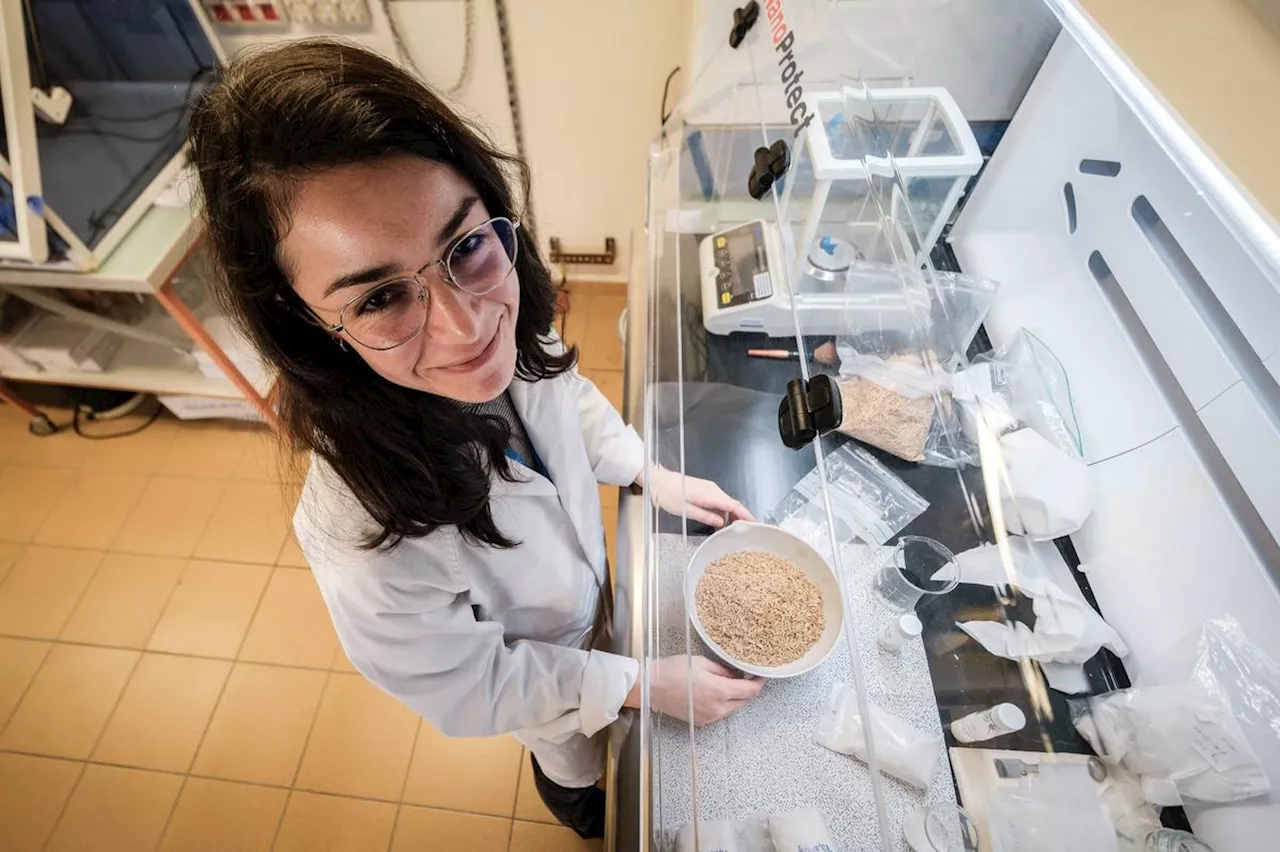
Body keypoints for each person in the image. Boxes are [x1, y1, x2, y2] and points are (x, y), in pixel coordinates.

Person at [186, 40, 763, 838]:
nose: (467, 327)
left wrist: (643, 473)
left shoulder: (507, 313)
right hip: (555, 705)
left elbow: (565, 394)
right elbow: (471, 683)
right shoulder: (360, 528)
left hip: (601, 619)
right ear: (304, 320)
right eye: (383, 296)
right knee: (584, 787)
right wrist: (638, 684)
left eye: (464, 247)